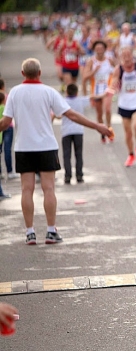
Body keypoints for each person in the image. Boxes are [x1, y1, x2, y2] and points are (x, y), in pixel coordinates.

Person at [0, 58, 110, 245]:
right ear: (40, 73)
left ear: (22, 73)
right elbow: (71, 114)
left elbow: (5, 123)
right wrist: (97, 126)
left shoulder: (15, 93)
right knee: (48, 188)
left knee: (27, 189)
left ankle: (30, 232)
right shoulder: (49, 92)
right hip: (46, 146)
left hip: (23, 147)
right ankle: (51, 231)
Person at [109, 47, 136, 167]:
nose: (127, 58)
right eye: (124, 56)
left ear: (132, 56)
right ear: (121, 57)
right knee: (128, 133)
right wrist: (114, 87)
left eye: (129, 55)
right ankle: (131, 154)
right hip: (124, 104)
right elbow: (114, 82)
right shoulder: (119, 70)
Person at [58, 84, 94, 184]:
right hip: (78, 130)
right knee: (78, 154)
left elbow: (58, 115)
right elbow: (93, 97)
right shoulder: (80, 100)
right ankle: (79, 175)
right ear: (77, 92)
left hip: (66, 131)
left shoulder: (63, 102)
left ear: (66, 92)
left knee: (66, 155)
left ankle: (67, 176)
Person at [82, 40, 116, 143]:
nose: (99, 51)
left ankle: (109, 128)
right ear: (94, 50)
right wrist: (94, 71)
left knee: (108, 109)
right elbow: (85, 77)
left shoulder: (109, 60)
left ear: (105, 49)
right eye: (97, 49)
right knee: (99, 114)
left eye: (101, 49)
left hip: (107, 90)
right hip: (96, 91)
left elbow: (117, 73)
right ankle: (102, 132)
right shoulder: (91, 61)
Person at [0, 79, 17, 180]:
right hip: (8, 126)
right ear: (3, 86)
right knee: (7, 149)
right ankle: (10, 171)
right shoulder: (6, 97)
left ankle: (0, 172)